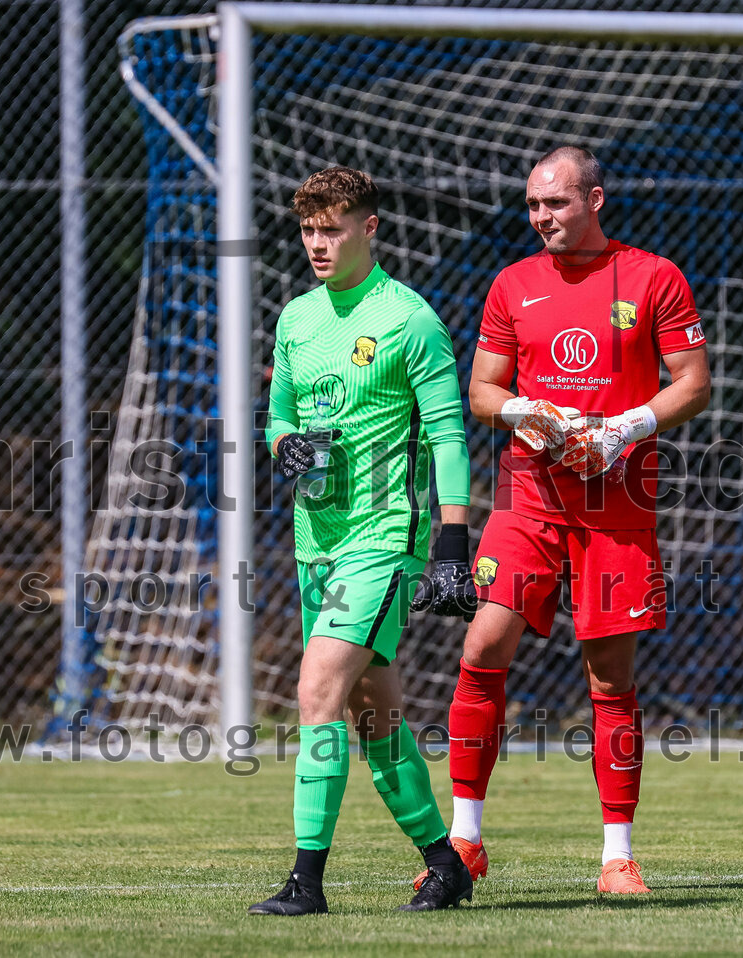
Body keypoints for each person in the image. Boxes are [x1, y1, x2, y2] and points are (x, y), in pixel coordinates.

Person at [434, 145, 710, 895]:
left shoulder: (654, 277)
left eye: (554, 203)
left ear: (595, 199)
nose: (540, 218)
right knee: (484, 643)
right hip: (529, 497)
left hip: (617, 506)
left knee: (609, 675)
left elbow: (693, 384)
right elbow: (482, 392)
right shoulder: (512, 283)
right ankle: (464, 841)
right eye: (532, 205)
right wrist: (528, 409)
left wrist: (624, 428)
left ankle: (616, 857)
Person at [249, 166, 478, 916]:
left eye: (333, 228)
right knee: (374, 722)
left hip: (383, 541)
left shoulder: (409, 320)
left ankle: (305, 884)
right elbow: (277, 416)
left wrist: (451, 542)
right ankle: (446, 866)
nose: (318, 243)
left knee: (316, 693)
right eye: (309, 229)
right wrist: (284, 445)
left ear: (368, 229)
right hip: (317, 540)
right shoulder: (296, 320)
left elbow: (447, 435)